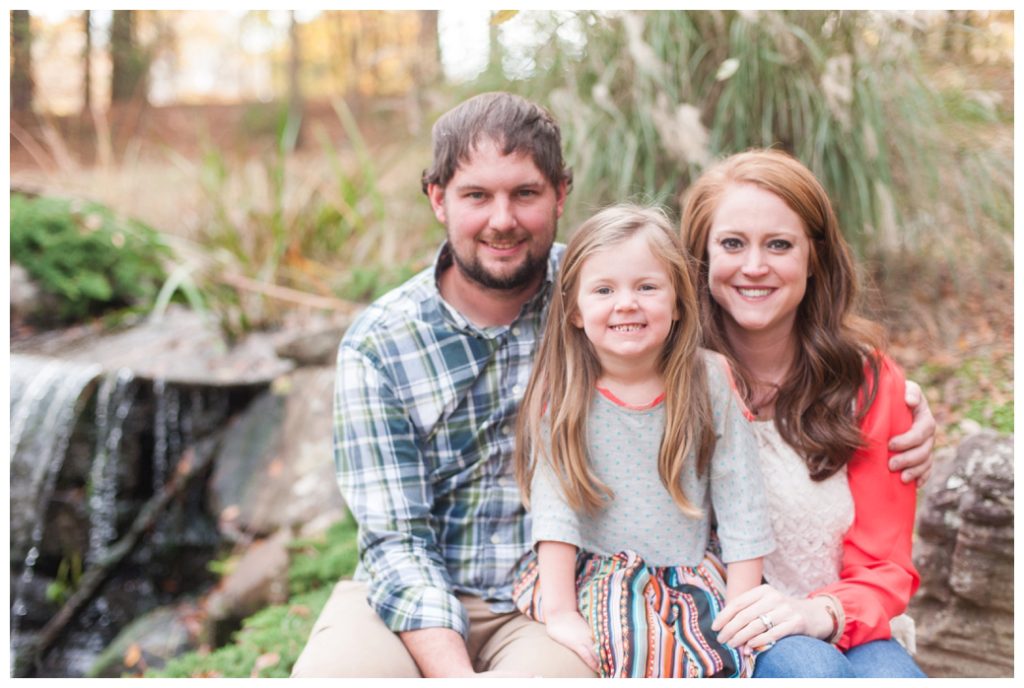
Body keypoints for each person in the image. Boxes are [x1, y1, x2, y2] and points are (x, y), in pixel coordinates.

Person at [291, 93, 934, 678]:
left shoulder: (625, 291)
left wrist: (902, 407)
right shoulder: (383, 343)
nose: (502, 220)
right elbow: (397, 541)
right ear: (438, 198)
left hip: (563, 609)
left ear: (561, 195)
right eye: (476, 196)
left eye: (525, 193)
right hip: (433, 595)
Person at [679, 149, 927, 678]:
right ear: (699, 257)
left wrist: (821, 613)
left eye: (779, 245)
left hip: (843, 618)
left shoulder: (870, 384)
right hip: (717, 628)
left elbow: (885, 564)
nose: (753, 266)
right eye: (731, 244)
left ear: (814, 257)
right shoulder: (668, 378)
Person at [510, 204, 775, 677]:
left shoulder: (708, 380)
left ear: (677, 303)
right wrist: (562, 612)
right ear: (574, 309)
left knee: (727, 655)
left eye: (647, 287)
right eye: (605, 290)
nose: (626, 303)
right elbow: (555, 510)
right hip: (599, 577)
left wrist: (741, 605)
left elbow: (742, 499)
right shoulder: (565, 389)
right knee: (634, 647)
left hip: (690, 573)